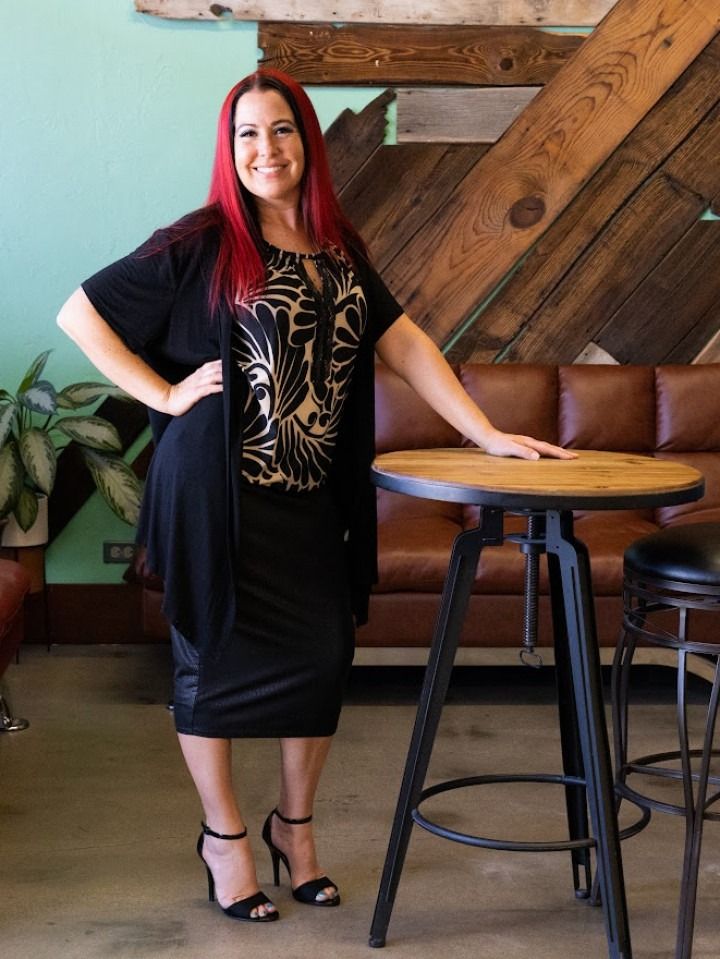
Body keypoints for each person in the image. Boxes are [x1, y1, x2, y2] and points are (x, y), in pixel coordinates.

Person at [57, 68, 574, 924]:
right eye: (247, 134)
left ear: (306, 141)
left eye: (282, 129)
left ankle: (293, 829)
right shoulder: (203, 242)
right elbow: (81, 313)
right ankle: (224, 838)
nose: (266, 149)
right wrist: (165, 395)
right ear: (229, 150)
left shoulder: (339, 248)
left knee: (323, 657)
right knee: (209, 663)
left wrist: (483, 431)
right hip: (216, 495)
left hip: (308, 498)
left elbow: (403, 342)